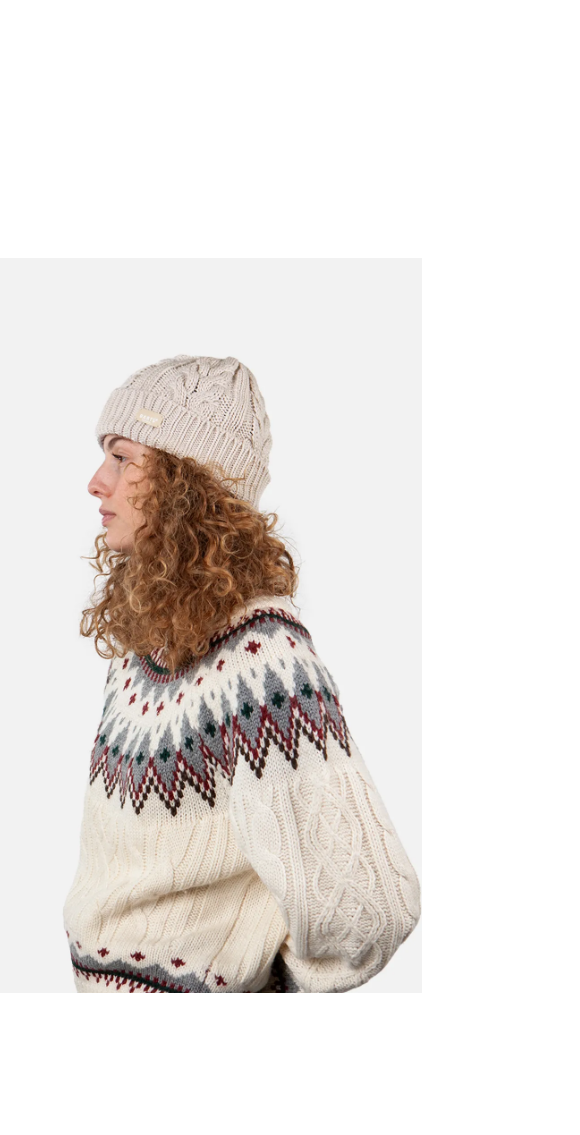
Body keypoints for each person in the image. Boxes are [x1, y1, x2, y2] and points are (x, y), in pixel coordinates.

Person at [63, 354, 420, 993]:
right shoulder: (146, 651)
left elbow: (369, 910)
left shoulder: (263, 665)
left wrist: (259, 988)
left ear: (185, 483)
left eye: (122, 458)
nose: (97, 482)